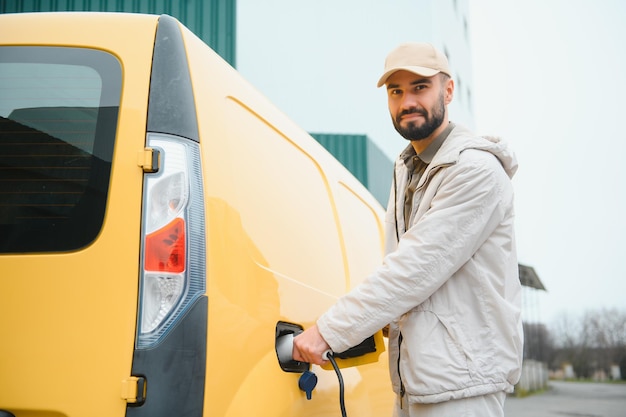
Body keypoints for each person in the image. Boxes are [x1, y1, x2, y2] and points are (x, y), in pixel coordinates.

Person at [292, 42, 523, 417]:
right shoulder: (408, 169)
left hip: (463, 389)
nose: (406, 102)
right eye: (395, 91)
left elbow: (414, 269)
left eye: (419, 87)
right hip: (415, 384)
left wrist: (328, 331)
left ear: (447, 91)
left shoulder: (476, 172)